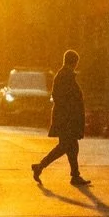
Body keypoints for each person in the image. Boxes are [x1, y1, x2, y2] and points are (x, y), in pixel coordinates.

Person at [33, 49, 88, 186]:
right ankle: (40, 166)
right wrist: (71, 117)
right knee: (65, 146)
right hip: (66, 119)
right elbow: (65, 99)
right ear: (74, 62)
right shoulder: (65, 76)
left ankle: (75, 175)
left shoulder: (64, 75)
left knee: (72, 147)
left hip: (66, 118)